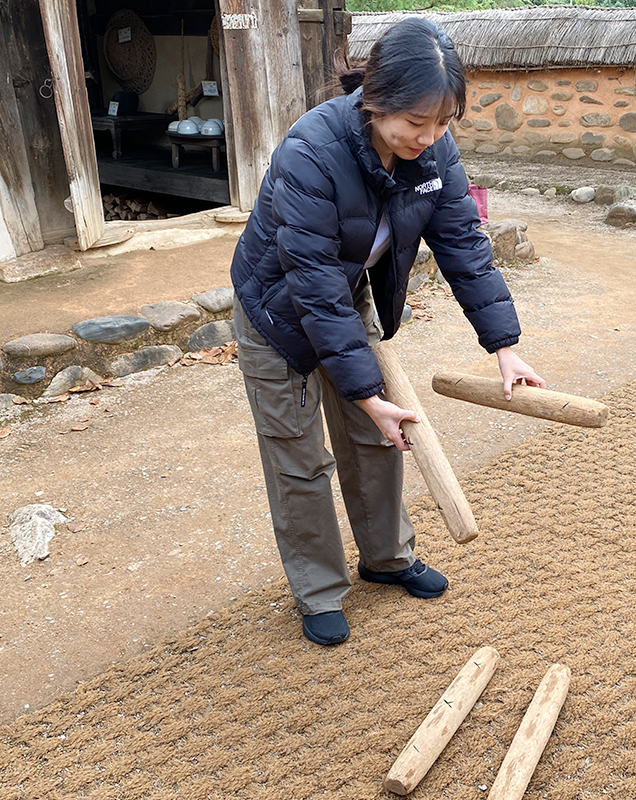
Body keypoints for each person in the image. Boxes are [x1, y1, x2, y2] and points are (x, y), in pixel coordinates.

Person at [230, 17, 544, 646]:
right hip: (280, 311)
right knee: (299, 457)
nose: (428, 139)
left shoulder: (433, 153)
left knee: (380, 438)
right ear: (375, 100)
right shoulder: (310, 152)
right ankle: (319, 589)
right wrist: (364, 392)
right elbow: (313, 285)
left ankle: (387, 559)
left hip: (345, 298)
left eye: (443, 123)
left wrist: (506, 350)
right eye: (415, 123)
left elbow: (463, 247)